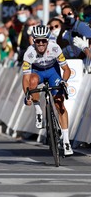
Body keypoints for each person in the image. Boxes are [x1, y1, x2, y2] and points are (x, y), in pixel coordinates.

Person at [22, 25, 73, 156]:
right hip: (37, 72)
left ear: (48, 40)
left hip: (52, 72)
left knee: (59, 103)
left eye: (43, 40)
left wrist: (64, 81)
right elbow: (26, 78)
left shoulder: (55, 48)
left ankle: (66, 140)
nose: (40, 44)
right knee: (32, 81)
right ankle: (38, 110)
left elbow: (66, 69)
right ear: (33, 41)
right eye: (37, 41)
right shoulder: (29, 53)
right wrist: (27, 94)